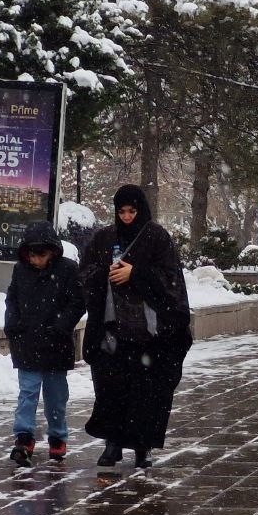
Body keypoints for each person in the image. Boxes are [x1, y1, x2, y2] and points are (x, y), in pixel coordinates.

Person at [81, 185, 193, 468]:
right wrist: (104, 275)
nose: (128, 217)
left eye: (132, 211)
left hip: (149, 335)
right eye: (122, 212)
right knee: (110, 391)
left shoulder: (156, 237)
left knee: (147, 395)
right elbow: (86, 273)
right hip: (112, 331)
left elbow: (171, 279)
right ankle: (113, 444)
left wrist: (137, 273)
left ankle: (142, 447)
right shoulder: (105, 238)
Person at [4, 220, 86, 467]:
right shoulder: (21, 271)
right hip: (27, 341)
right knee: (27, 392)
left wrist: (60, 327)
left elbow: (77, 303)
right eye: (31, 254)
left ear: (52, 251)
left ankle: (58, 437)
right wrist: (14, 326)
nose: (36, 259)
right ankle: (24, 437)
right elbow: (12, 300)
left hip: (55, 343)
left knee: (55, 395)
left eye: (41, 253)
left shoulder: (68, 270)